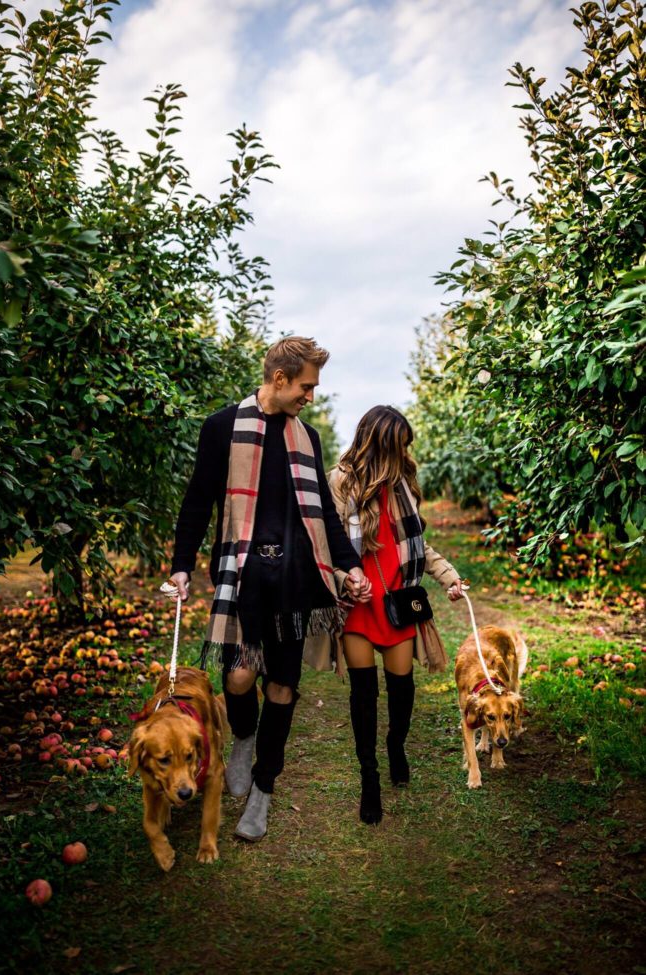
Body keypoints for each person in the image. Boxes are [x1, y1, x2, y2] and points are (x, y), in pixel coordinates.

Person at [168, 337, 371, 842]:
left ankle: (263, 787)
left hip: (297, 580)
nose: (311, 396)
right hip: (242, 574)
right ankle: (243, 735)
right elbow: (198, 501)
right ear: (279, 379)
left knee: (281, 685)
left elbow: (324, 511)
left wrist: (347, 568)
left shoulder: (308, 437)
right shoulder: (221, 428)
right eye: (306, 386)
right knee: (238, 678)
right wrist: (180, 566)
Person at [324, 405, 464, 825]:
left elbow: (420, 544)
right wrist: (343, 578)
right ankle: (370, 779)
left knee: (402, 689)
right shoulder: (341, 481)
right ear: (382, 442)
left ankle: (396, 744)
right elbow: (327, 544)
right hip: (358, 604)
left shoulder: (401, 484)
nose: (405, 452)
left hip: (398, 601)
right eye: (399, 444)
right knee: (363, 695)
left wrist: (448, 576)